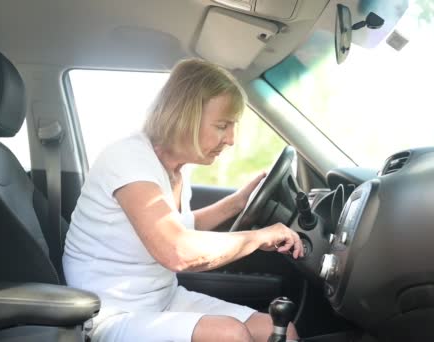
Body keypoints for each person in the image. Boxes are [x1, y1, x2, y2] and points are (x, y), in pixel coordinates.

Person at [63, 58, 303, 342]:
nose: (231, 139)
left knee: (281, 331)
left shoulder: (175, 169)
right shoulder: (128, 159)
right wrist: (259, 237)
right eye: (222, 125)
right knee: (230, 335)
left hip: (164, 299)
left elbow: (179, 226)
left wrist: (239, 201)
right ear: (185, 118)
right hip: (112, 313)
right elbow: (178, 250)